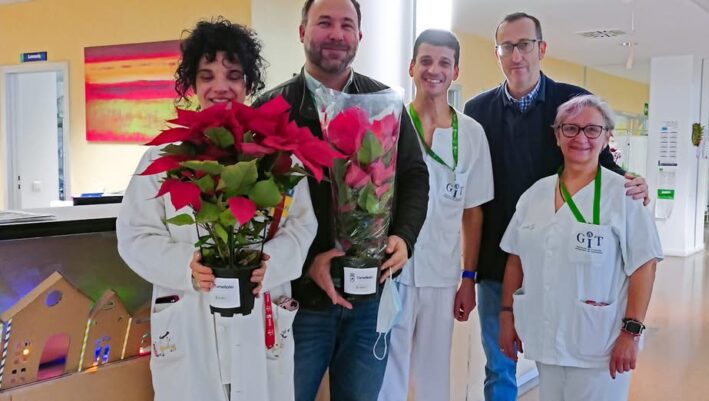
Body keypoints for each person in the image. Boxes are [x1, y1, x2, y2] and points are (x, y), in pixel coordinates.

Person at [117, 18, 316, 401]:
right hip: (189, 321)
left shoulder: (276, 157)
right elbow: (134, 234)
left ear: (249, 85)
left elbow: (302, 226)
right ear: (192, 85)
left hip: (259, 318)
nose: (220, 86)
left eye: (234, 75)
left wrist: (270, 261)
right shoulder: (164, 158)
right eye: (206, 76)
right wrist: (184, 265)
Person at [462, 12, 649, 400]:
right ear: (498, 54)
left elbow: (598, 157)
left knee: (563, 359)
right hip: (501, 262)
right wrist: (467, 272)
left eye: (525, 44)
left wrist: (633, 181)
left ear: (541, 49)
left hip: (565, 262)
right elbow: (472, 195)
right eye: (507, 46)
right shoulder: (478, 112)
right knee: (500, 365)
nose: (517, 55)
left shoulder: (570, 101)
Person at [253, 1, 429, 400]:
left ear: (359, 38)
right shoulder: (270, 110)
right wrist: (305, 262)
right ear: (302, 33)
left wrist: (404, 236)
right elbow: (255, 210)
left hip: (370, 299)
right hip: (298, 303)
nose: (336, 34)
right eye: (324, 23)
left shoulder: (384, 102)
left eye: (347, 25)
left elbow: (415, 176)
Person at [498, 94, 661, 401]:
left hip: (600, 345)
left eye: (592, 130)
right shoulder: (534, 195)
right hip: (546, 336)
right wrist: (507, 316)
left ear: (607, 136)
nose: (580, 138)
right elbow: (515, 260)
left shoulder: (625, 195)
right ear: (557, 135)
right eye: (570, 128)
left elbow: (644, 266)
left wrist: (631, 332)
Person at [377, 29, 493, 401]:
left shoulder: (472, 134)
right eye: (425, 61)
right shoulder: (389, 126)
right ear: (412, 66)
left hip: (442, 276)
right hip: (391, 270)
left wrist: (468, 277)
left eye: (444, 62)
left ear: (455, 71)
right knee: (386, 372)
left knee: (433, 375)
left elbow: (473, 213)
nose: (434, 70)